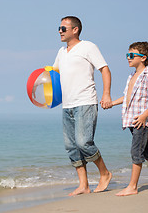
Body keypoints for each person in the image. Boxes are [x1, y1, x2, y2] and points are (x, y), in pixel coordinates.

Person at [52, 16, 112, 196]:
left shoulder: (88, 47)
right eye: (59, 28)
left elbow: (104, 69)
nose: (60, 31)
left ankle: (105, 173)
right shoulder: (61, 52)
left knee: (83, 142)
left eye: (63, 28)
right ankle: (83, 185)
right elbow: (53, 73)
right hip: (67, 105)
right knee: (71, 147)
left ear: (75, 29)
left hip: (85, 101)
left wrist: (106, 94)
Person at [111, 41, 148, 196]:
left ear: (143, 57)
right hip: (131, 119)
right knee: (146, 150)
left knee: (136, 151)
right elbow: (127, 97)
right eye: (127, 55)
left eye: (131, 55)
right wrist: (112, 103)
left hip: (141, 120)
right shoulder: (132, 76)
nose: (128, 58)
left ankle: (132, 187)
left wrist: (144, 116)